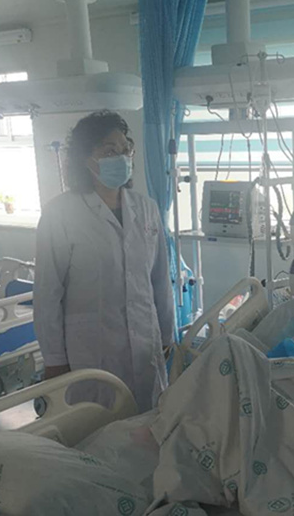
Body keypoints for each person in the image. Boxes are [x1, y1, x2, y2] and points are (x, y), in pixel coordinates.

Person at [34, 111, 175, 412]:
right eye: (109, 151)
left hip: (145, 342)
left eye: (125, 149)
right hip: (90, 350)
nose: (121, 158)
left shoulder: (146, 208)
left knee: (148, 422)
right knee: (96, 427)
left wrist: (166, 333)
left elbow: (160, 278)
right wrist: (54, 360)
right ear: (85, 159)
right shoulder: (60, 214)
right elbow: (47, 293)